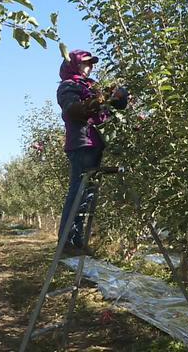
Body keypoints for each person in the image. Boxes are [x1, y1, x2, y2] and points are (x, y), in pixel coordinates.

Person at [56, 49, 128, 255]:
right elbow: (73, 110)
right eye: (85, 63)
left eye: (91, 64)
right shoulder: (68, 86)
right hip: (82, 143)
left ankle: (77, 241)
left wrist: (119, 95)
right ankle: (67, 241)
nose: (89, 67)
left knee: (87, 194)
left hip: (95, 143)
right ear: (73, 65)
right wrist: (101, 99)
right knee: (78, 191)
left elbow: (112, 105)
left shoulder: (91, 86)